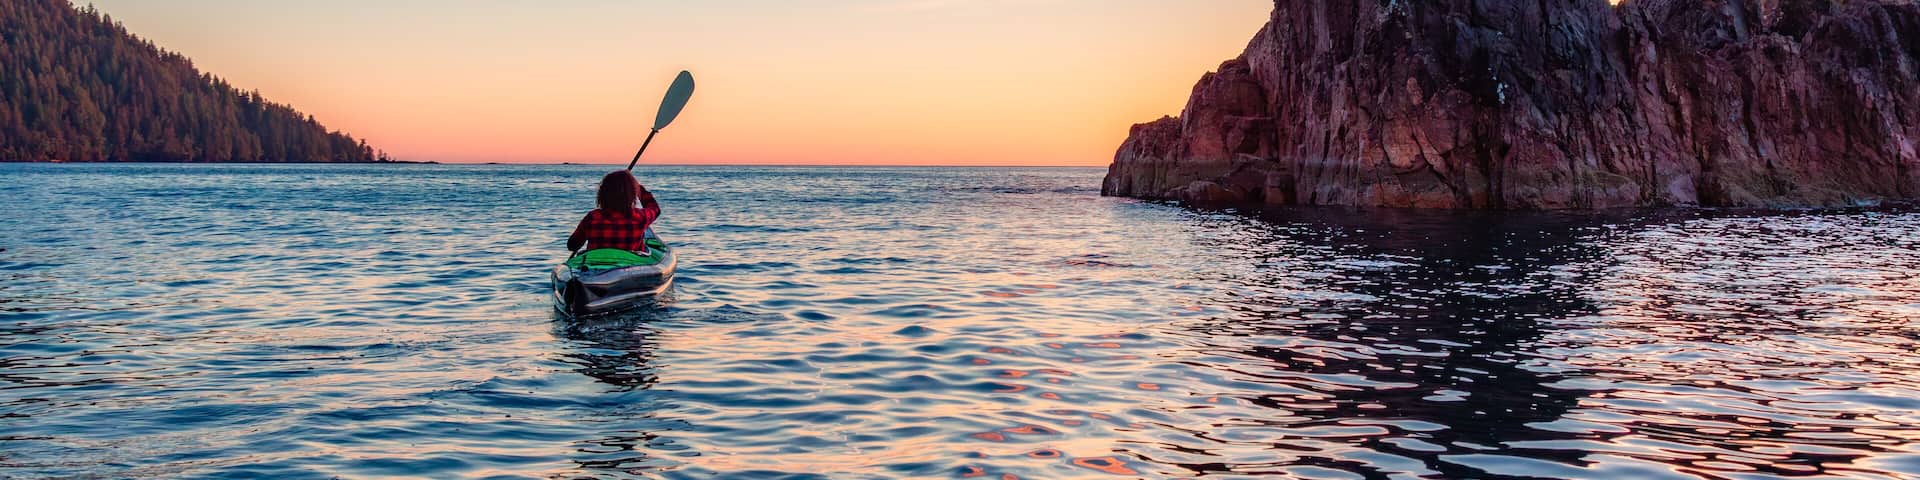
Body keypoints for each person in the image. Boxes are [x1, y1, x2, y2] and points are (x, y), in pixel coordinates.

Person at [567, 170, 661, 255]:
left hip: (595, 267)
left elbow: (572, 245)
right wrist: (639, 189)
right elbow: (655, 209)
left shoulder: (592, 217)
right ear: (632, 194)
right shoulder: (639, 217)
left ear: (602, 194)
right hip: (628, 266)